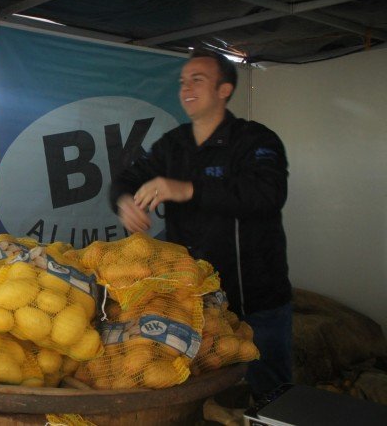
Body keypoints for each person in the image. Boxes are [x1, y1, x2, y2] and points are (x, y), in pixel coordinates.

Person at [110, 49, 292, 399]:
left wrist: (185, 189)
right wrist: (123, 201)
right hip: (197, 302)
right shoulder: (172, 145)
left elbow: (267, 194)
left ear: (224, 90)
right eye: (182, 82)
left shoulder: (256, 140)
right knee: (208, 396)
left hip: (257, 300)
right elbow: (128, 177)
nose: (186, 88)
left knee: (272, 395)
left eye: (198, 79)